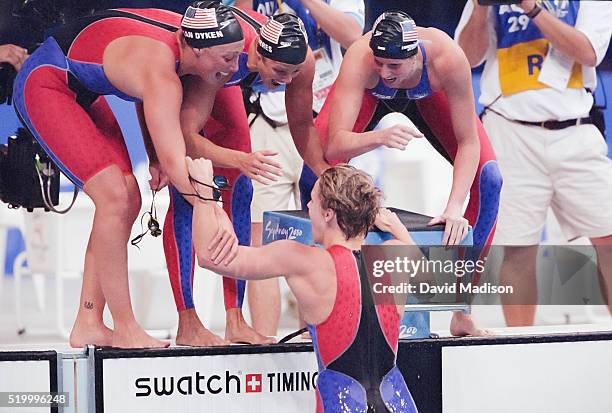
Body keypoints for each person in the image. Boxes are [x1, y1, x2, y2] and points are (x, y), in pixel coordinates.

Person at [12, 1, 244, 348]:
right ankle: (125, 326)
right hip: (46, 83)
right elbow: (176, 162)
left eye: (238, 57)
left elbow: (144, 98)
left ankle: (88, 320)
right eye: (227, 58)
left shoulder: (181, 49)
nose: (234, 68)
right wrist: (214, 209)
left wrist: (152, 156)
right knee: (115, 196)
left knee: (128, 196)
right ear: (198, 49)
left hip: (82, 86)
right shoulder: (163, 73)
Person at [316, 11, 503, 336]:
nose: (385, 72)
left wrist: (455, 206)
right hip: (369, 100)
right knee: (319, 171)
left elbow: (468, 143)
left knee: (491, 181)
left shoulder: (447, 58)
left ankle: (462, 310)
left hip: (430, 97)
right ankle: (325, 310)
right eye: (380, 63)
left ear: (415, 55)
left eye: (394, 66)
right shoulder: (361, 58)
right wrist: (377, 137)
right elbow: (335, 147)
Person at [188, 155, 419, 413]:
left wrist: (202, 194)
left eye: (313, 200)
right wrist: (397, 228)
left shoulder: (305, 261)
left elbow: (210, 258)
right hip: (400, 404)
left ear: (329, 213)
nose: (308, 207)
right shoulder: (396, 256)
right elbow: (429, 270)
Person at [163, 5, 331, 345]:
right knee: (186, 193)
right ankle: (187, 319)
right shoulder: (225, 58)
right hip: (177, 82)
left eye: (292, 74)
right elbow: (186, 137)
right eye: (280, 71)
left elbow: (302, 126)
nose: (285, 82)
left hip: (231, 80)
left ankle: (234, 319)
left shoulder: (302, 65)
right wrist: (239, 159)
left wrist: (326, 174)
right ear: (257, 53)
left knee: (242, 190)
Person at [456, 0, 612, 325]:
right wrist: (483, 7)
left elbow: (588, 52)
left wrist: (530, 6)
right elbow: (466, 57)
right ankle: (520, 345)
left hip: (576, 128)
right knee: (517, 247)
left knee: (609, 239)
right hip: (510, 128)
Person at [243, 0, 365, 338]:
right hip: (266, 120)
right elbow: (242, 44)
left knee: (326, 235)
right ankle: (265, 343)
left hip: (325, 125)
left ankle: (315, 340)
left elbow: (354, 35)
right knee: (262, 237)